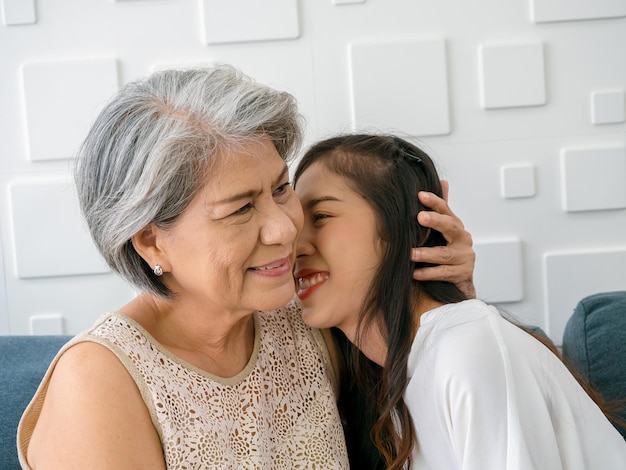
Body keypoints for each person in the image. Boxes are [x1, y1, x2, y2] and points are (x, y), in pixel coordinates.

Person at [16, 66, 475, 469]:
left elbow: (442, 423)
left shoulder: (303, 312)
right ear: (151, 241)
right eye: (239, 209)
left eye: (279, 189)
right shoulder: (97, 381)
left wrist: (449, 301)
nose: (283, 228)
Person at [293, 133, 626, 470]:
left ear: (411, 228)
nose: (295, 245)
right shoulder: (403, 384)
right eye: (295, 225)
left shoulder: (467, 350)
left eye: (321, 216)